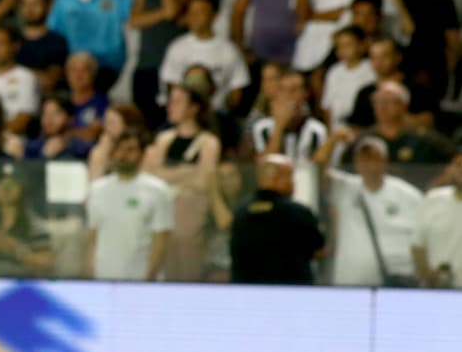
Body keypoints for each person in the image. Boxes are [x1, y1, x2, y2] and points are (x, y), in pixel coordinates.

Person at [141, 82, 227, 282]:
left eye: (177, 102)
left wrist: (170, 174)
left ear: (193, 108)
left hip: (191, 218)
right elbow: (152, 174)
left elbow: (203, 179)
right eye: (171, 102)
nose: (171, 107)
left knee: (187, 270)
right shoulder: (163, 139)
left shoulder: (208, 142)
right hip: (163, 212)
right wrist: (186, 172)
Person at [315, 134, 422, 287]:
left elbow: (421, 236)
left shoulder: (408, 195)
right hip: (351, 279)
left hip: (395, 281)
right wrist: (332, 141)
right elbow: (317, 168)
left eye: (373, 158)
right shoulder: (344, 188)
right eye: (363, 159)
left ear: (384, 161)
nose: (367, 164)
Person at [86, 130, 173, 281]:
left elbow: (161, 240)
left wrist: (149, 277)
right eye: (120, 149)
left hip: (141, 280)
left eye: (130, 150)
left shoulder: (158, 190)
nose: (123, 155)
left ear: (142, 154)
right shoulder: (97, 190)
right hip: (104, 279)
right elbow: (93, 238)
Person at [230, 154, 325, 284]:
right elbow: (319, 252)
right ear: (278, 179)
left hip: (248, 294)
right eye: (290, 176)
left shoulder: (240, 213)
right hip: (291, 293)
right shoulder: (298, 213)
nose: (293, 182)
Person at [159, 0, 250, 112]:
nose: (194, 17)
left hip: (217, 114)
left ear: (213, 16)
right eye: (191, 12)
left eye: (199, 12)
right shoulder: (177, 47)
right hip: (184, 113)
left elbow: (237, 89)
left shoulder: (229, 50)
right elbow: (170, 83)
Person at [47, 0, 132, 93]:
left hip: (110, 65)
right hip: (76, 66)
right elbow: (54, 33)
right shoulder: (63, 1)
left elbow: (134, 19)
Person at [0, 171, 53, 278]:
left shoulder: (36, 227)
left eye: (11, 185)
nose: (5, 189)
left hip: (24, 285)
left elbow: (47, 265)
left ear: (21, 189)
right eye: (1, 184)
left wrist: (16, 249)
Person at [412, 154, 462, 289]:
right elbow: (417, 245)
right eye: (458, 165)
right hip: (436, 291)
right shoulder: (433, 199)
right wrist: (427, 275)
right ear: (450, 169)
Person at [15, 0, 69, 95]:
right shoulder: (11, 39)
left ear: (48, 6)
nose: (30, 9)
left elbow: (49, 80)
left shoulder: (57, 41)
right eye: (25, 4)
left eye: (35, 4)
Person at [320, 25, 376, 129]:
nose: (343, 50)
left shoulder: (371, 69)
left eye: (347, 45)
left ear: (362, 45)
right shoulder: (334, 72)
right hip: (337, 127)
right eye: (339, 46)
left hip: (361, 126)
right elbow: (328, 105)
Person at [24, 94, 93, 161]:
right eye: (45, 114)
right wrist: (45, 156)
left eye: (55, 113)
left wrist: (66, 145)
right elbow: (26, 170)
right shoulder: (32, 147)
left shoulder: (82, 147)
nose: (49, 119)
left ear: (70, 118)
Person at [87, 102, 146, 181]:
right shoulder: (101, 149)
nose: (106, 127)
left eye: (111, 122)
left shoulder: (143, 148)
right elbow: (94, 183)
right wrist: (102, 153)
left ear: (127, 124)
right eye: (105, 122)